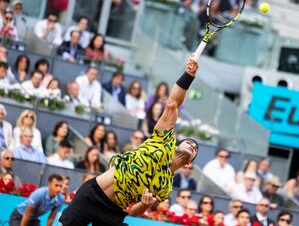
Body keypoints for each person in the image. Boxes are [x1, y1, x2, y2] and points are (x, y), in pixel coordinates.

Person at [60, 55, 200, 225]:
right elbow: (172, 104)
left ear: (189, 164)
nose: (192, 144)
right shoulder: (163, 140)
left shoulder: (165, 187)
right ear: (178, 144)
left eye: (195, 149)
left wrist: (144, 204)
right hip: (92, 194)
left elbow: (134, 212)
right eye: (189, 142)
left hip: (113, 212)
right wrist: (188, 75)